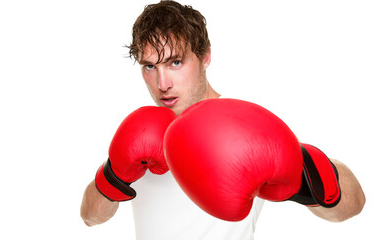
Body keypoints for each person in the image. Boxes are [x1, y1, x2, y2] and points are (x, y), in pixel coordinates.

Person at [80, 0, 365, 239]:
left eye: (175, 62)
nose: (162, 82)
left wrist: (301, 178)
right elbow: (90, 217)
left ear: (204, 57)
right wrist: (114, 174)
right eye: (150, 67)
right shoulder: (142, 130)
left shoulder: (239, 126)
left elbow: (353, 205)